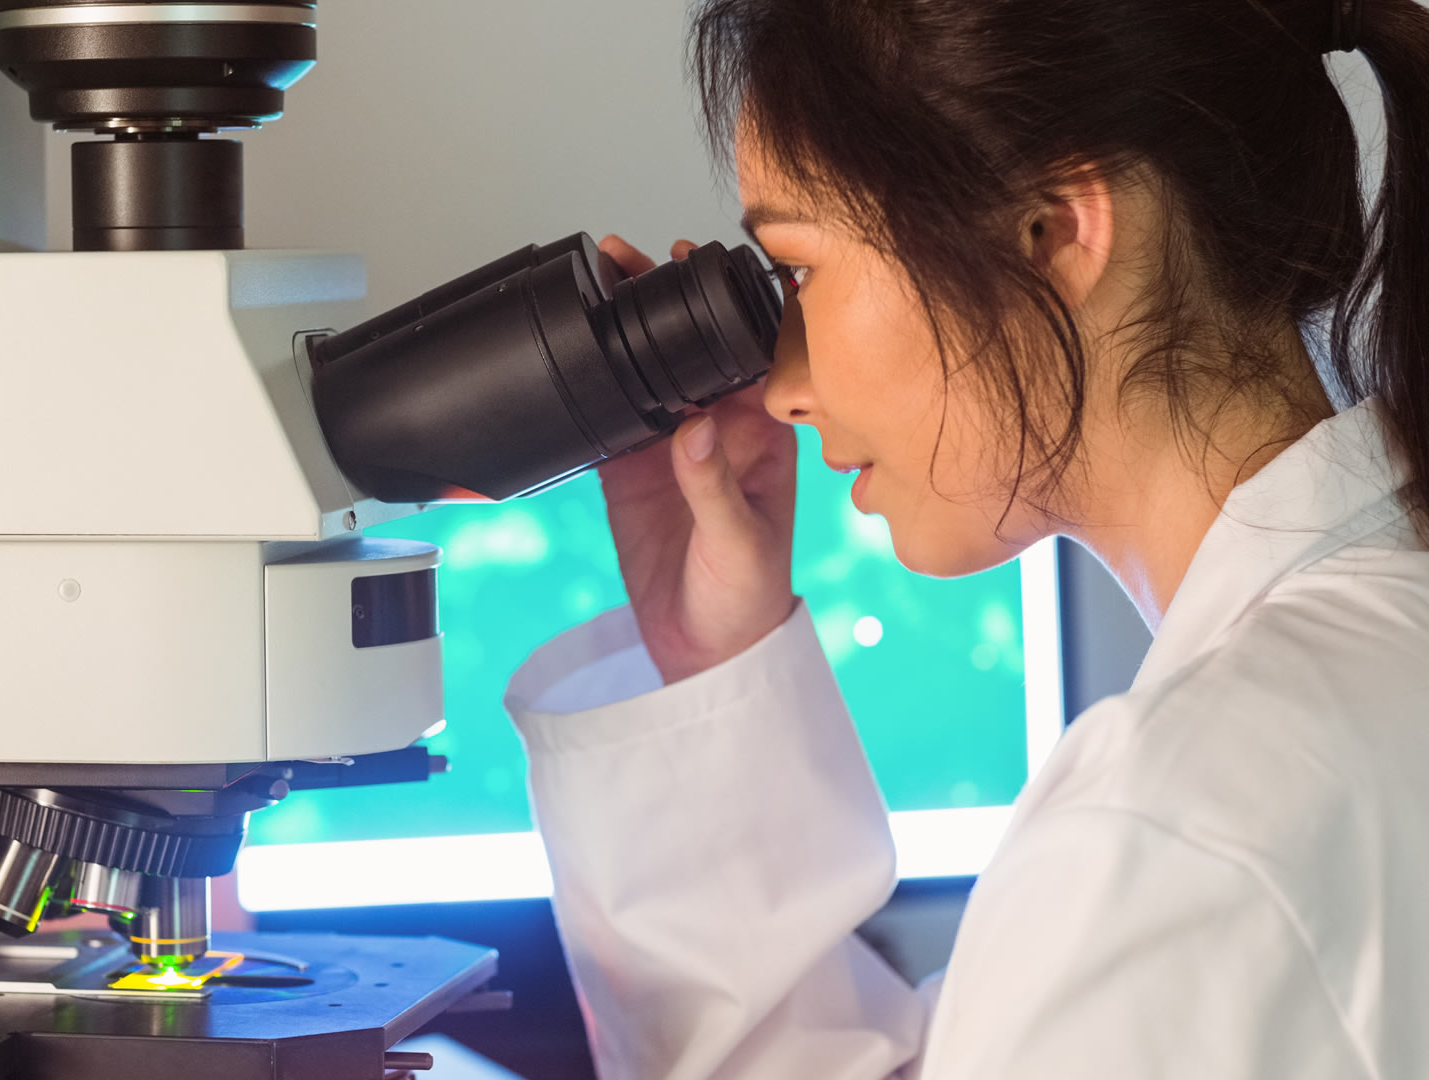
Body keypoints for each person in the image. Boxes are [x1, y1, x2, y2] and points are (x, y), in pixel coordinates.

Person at [503, 0, 1429, 1075]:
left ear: (1056, 232)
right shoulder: (1350, 672)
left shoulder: (1178, 827)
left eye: (799, 272)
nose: (787, 388)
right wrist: (711, 659)